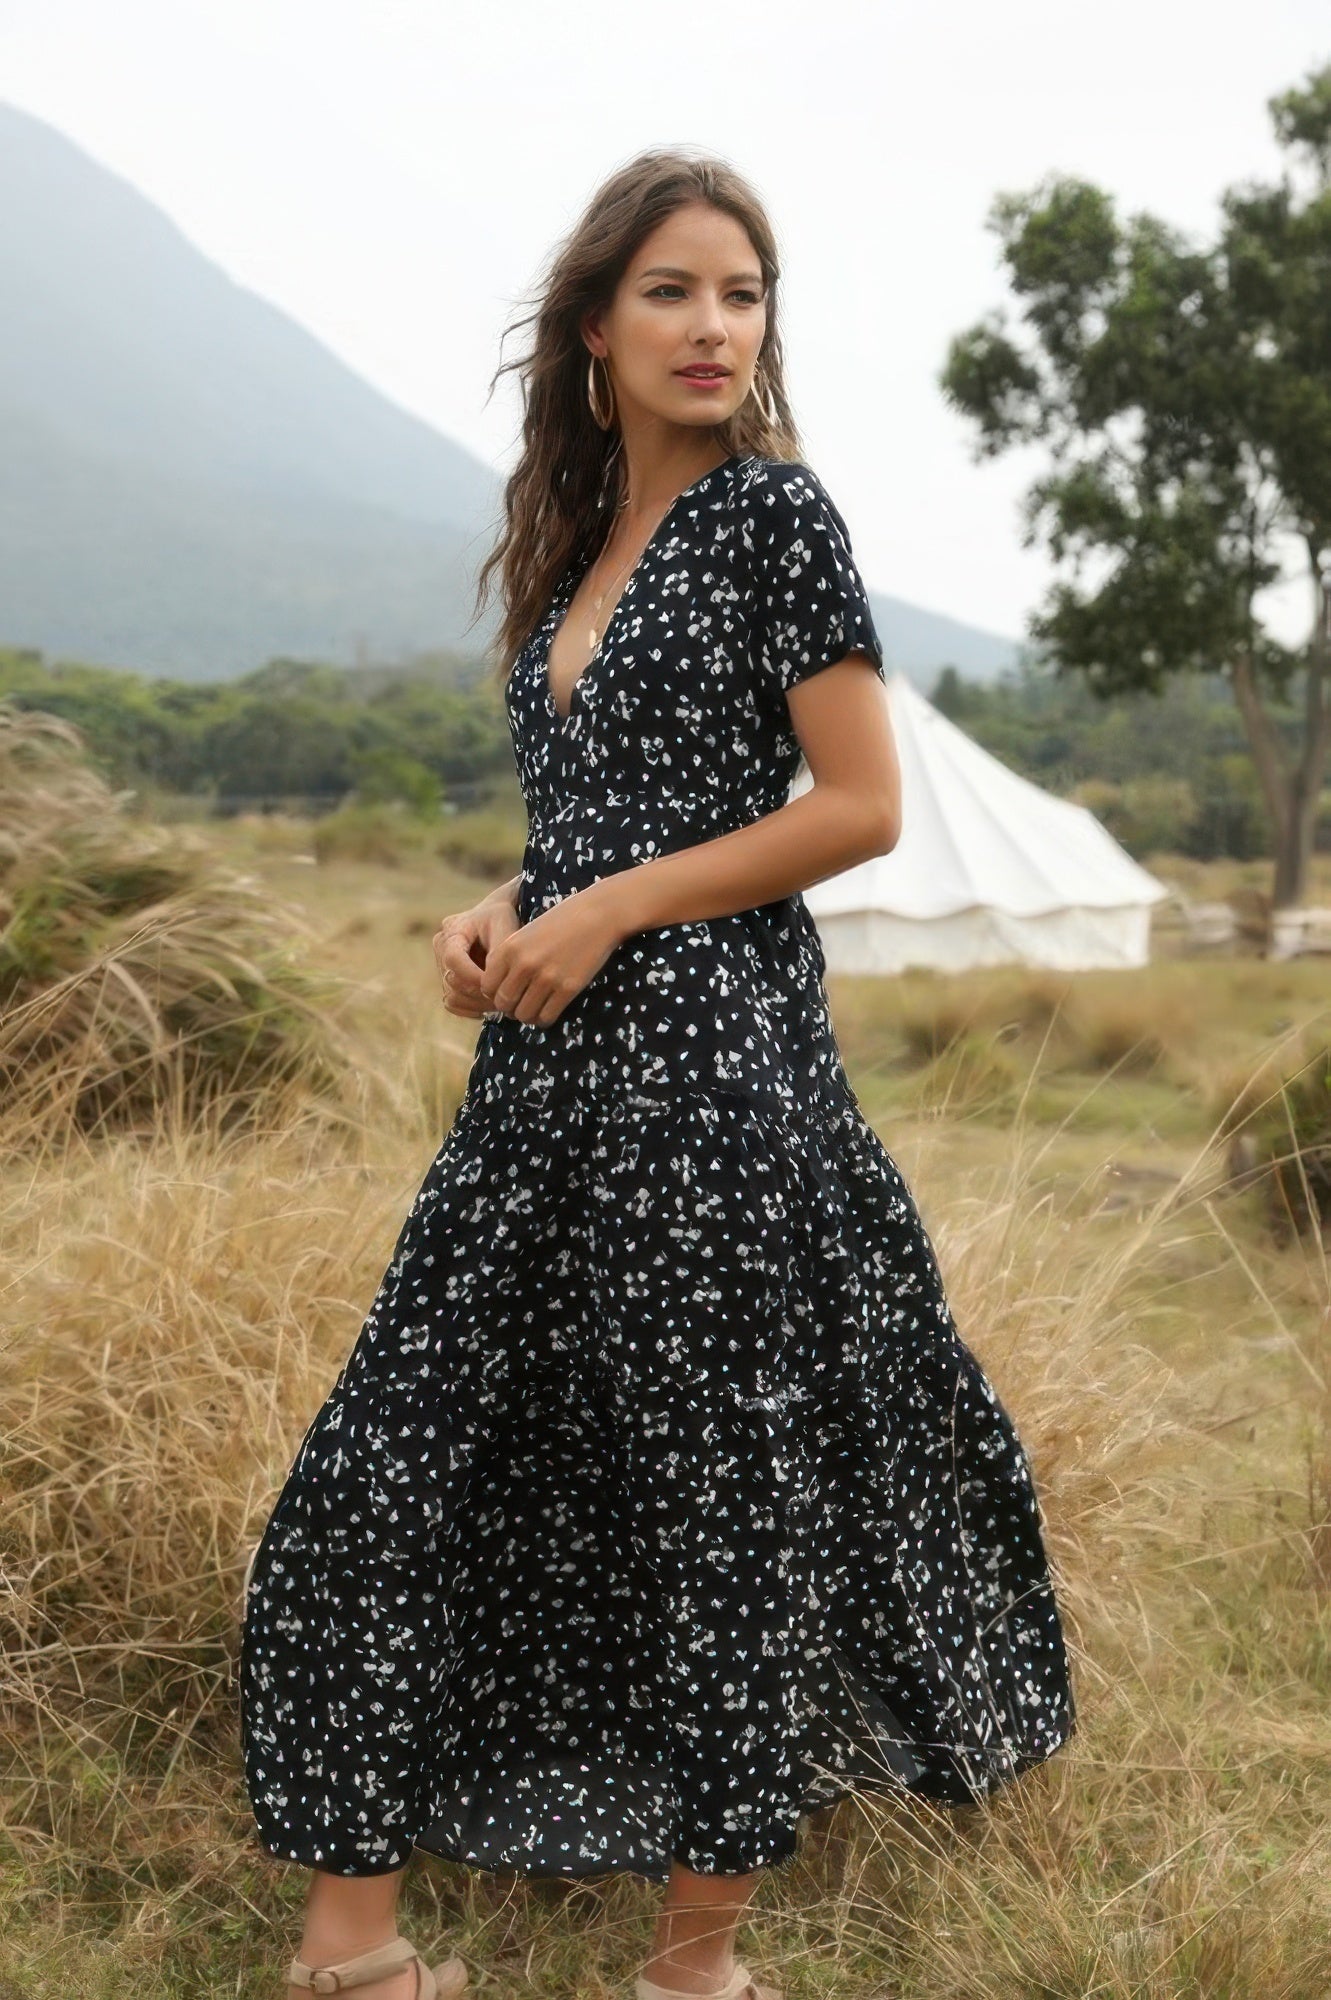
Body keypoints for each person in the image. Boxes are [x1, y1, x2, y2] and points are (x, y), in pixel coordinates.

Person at [239, 147, 1076, 2000]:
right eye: (675, 292)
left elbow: (857, 809)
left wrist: (607, 909)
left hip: (718, 1088)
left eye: (745, 293)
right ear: (595, 325)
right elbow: (599, 811)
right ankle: (351, 1945)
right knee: (391, 1471)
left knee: (716, 1506)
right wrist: (508, 908)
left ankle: (694, 1968)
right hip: (544, 1092)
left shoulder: (778, 518)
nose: (714, 328)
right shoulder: (574, 542)